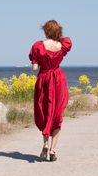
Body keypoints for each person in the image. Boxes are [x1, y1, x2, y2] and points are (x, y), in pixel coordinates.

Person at [28, 20, 72, 162]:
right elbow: (63, 45)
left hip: (44, 79)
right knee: (57, 115)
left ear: (46, 31)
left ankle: (45, 144)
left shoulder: (38, 46)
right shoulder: (62, 45)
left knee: (45, 112)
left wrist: (38, 61)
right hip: (58, 80)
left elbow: (35, 68)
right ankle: (53, 150)